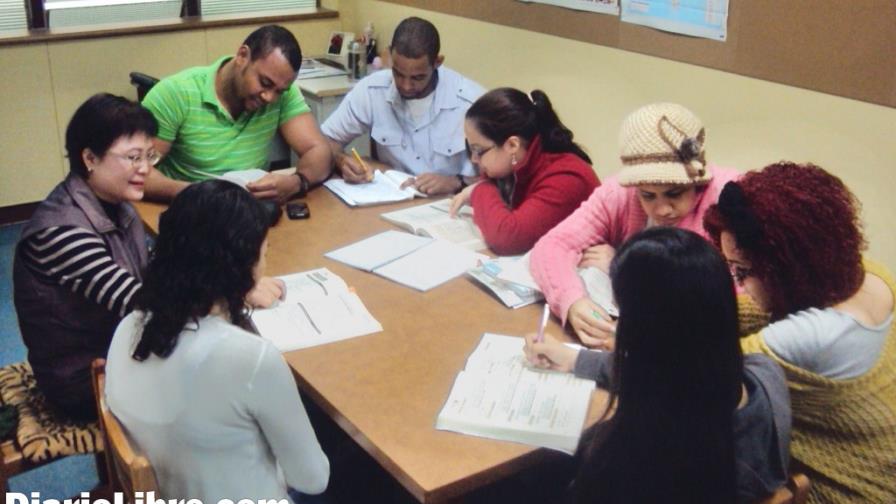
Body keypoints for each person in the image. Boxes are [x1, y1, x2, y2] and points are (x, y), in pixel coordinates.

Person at [525, 227, 791, 503]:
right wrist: (575, 359)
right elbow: (671, 371)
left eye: (624, 314)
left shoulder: (647, 457)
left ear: (648, 334)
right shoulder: (763, 374)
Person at [105, 180, 329, 501]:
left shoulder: (129, 326)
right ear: (242, 268)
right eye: (264, 253)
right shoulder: (250, 359)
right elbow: (312, 479)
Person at [703, 162, 896, 503]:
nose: (740, 284)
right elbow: (755, 310)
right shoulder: (869, 275)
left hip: (852, 492)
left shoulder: (810, 337)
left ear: (787, 270)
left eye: (743, 271)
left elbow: (697, 373)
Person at [529, 102, 739, 349]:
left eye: (675, 193)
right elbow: (552, 245)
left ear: (698, 182)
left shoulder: (728, 200)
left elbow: (734, 296)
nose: (662, 209)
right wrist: (571, 299)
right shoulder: (619, 192)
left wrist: (623, 268)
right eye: (648, 195)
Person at [12, 94, 157, 420]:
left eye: (150, 156)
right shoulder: (61, 231)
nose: (145, 168)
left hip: (116, 349)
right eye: (133, 157)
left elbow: (149, 273)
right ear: (90, 158)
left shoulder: (116, 203)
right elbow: (140, 302)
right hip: (82, 379)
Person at [142, 25, 332, 204]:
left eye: (279, 91)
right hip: (187, 211)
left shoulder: (284, 95)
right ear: (242, 56)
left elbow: (319, 151)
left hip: (247, 212)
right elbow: (136, 171)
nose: (269, 97)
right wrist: (200, 195)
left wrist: (297, 182)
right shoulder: (175, 94)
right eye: (265, 83)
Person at [321, 17, 485, 196]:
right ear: (390, 55)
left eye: (418, 77)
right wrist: (341, 160)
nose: (405, 86)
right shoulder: (372, 90)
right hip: (389, 199)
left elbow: (506, 176)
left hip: (450, 206)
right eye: (398, 74)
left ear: (437, 62)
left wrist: (457, 182)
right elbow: (325, 141)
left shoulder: (472, 103)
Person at [447, 87, 598, 255]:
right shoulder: (513, 163)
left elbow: (508, 239)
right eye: (470, 148)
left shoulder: (567, 178)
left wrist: (480, 189)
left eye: (478, 150)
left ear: (512, 145)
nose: (474, 159)